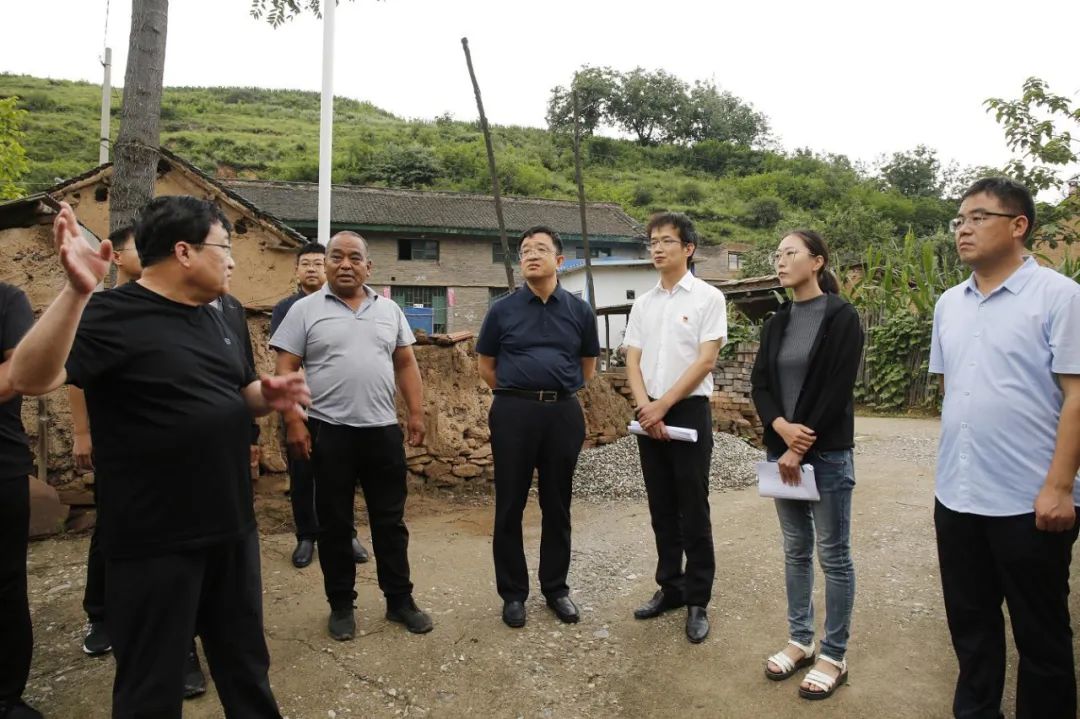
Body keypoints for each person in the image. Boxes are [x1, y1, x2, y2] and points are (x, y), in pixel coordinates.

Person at [10, 197, 310, 718]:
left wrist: (268, 394)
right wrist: (75, 292)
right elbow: (31, 379)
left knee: (246, 666)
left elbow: (236, 392)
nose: (234, 261)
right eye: (225, 246)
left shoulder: (218, 316)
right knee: (152, 682)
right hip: (154, 538)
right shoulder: (109, 313)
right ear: (184, 251)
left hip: (230, 527)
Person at [930, 177, 1080, 719]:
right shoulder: (949, 304)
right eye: (958, 220)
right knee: (971, 630)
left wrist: (1061, 487)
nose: (963, 229)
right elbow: (952, 394)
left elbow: (1078, 396)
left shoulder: (1060, 298)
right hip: (958, 497)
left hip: (1030, 503)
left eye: (977, 217)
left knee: (1041, 639)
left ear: (1019, 226)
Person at [270, 231, 432, 641]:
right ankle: (341, 604)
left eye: (354, 258)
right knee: (335, 524)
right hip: (328, 431)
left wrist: (415, 413)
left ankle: (400, 600)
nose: (345, 264)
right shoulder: (304, 311)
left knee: (390, 522)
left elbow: (406, 363)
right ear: (325, 264)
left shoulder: (390, 310)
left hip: (381, 432)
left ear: (368, 267)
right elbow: (285, 369)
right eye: (336, 257)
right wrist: (294, 422)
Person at [750, 229, 863, 700]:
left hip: (827, 454)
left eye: (790, 253)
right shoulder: (776, 322)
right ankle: (800, 640)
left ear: (817, 261)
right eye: (777, 254)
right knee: (795, 550)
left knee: (833, 555)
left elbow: (836, 389)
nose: (781, 260)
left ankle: (833, 654)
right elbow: (760, 384)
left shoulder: (842, 316)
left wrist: (801, 445)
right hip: (782, 453)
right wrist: (779, 428)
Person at [476, 226, 599, 628]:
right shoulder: (502, 310)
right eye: (525, 250)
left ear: (559, 261)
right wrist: (518, 394)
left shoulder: (579, 311)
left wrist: (554, 393)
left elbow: (587, 367)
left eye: (540, 249)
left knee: (557, 504)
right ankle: (513, 594)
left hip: (562, 414)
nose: (530, 255)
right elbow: (486, 367)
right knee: (510, 503)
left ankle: (556, 589)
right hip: (513, 412)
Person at [623, 212, 726, 644]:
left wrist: (663, 405)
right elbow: (631, 357)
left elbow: (705, 360)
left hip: (686, 411)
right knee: (661, 506)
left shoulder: (708, 298)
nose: (658, 248)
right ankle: (671, 587)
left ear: (688, 248)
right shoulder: (644, 303)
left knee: (692, 507)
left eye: (667, 240)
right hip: (650, 413)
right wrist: (645, 406)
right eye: (652, 241)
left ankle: (698, 598)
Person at [270, 241, 369, 569]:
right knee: (303, 474)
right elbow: (287, 362)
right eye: (306, 264)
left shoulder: (346, 302)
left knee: (345, 475)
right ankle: (306, 536)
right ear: (296, 271)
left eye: (317, 262)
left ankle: (347, 533)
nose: (312, 268)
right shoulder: (289, 308)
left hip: (341, 409)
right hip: (302, 406)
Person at [0, 282, 43, 719]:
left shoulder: (7, 300)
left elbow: (16, 375)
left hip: (1, 465)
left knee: (5, 585)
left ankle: (7, 696)